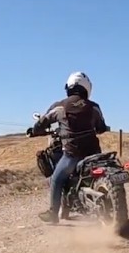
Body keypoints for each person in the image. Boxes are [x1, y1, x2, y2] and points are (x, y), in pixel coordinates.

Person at [26, 71, 110, 225]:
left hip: (73, 154)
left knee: (56, 179)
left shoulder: (60, 106)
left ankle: (53, 213)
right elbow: (101, 127)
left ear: (69, 87)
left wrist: (35, 130)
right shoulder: (94, 107)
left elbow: (43, 122)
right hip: (94, 153)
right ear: (87, 87)